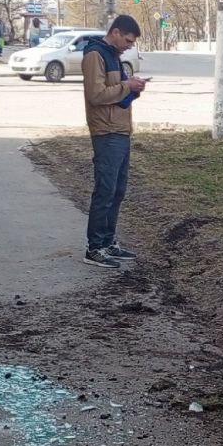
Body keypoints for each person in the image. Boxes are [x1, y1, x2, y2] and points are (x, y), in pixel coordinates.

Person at [81, 15, 148, 269]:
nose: (129, 46)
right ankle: (94, 248)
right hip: (106, 132)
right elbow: (96, 94)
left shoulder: (113, 55)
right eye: (128, 40)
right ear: (116, 32)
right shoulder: (95, 55)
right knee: (105, 191)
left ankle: (108, 242)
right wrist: (126, 85)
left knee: (117, 191)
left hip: (120, 130)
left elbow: (115, 91)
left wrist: (132, 89)